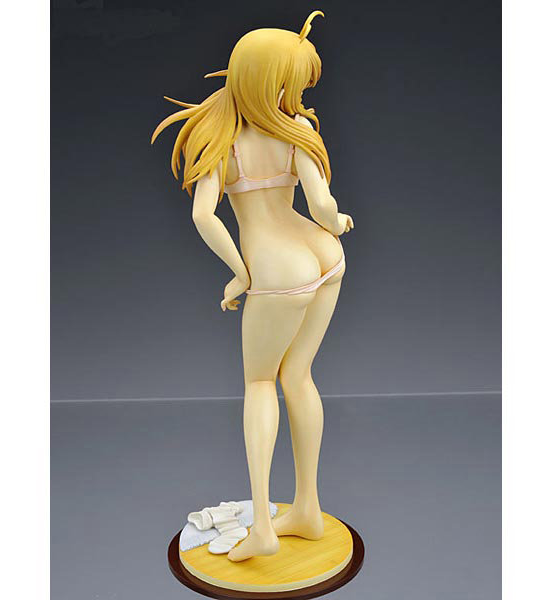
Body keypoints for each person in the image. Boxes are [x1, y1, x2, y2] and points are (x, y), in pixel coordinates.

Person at [152, 11, 354, 561]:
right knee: (300, 375)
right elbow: (321, 205)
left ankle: (265, 525)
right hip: (323, 252)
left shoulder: (221, 140)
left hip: (278, 267)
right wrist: (337, 224)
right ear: (269, 82)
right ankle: (307, 508)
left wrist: (241, 271)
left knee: (262, 382)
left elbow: (203, 215)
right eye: (291, 85)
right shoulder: (298, 132)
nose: (296, 96)